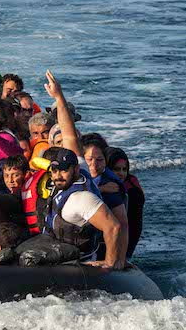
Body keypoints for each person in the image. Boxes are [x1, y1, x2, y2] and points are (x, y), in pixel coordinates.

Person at [43, 71, 129, 268]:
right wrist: (59, 97)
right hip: (56, 254)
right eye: (55, 171)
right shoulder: (80, 167)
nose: (58, 176)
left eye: (64, 171)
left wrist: (110, 264)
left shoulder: (81, 199)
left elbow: (114, 227)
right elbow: (69, 134)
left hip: (78, 266)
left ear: (74, 170)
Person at [105, 146, 144, 258]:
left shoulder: (132, 191)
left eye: (124, 169)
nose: (121, 174)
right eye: (116, 169)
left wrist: (125, 254)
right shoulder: (99, 182)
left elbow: (135, 226)